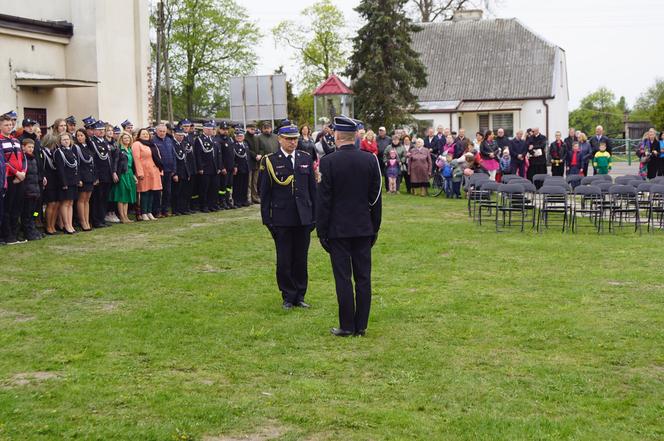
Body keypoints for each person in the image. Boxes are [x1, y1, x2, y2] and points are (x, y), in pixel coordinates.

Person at [316, 115, 382, 337]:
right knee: (363, 278)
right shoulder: (370, 160)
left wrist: (322, 231)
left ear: (336, 136)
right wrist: (375, 226)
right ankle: (360, 325)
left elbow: (323, 201)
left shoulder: (327, 162)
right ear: (355, 137)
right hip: (363, 228)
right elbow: (375, 198)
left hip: (338, 230)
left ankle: (347, 325)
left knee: (343, 278)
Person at [259, 121, 316, 310]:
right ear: (280, 139)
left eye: (295, 139)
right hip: (282, 218)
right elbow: (265, 193)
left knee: (301, 258)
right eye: (289, 139)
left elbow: (312, 190)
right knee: (284, 259)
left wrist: (314, 215)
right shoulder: (270, 161)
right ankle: (288, 295)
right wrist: (267, 219)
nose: (293, 143)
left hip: (303, 218)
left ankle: (300, 294)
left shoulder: (305, 158)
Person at [1, 113, 27, 244]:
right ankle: (8, 236)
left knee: (17, 207)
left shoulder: (16, 141)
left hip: (20, 178)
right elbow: (3, 161)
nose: (9, 127)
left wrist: (22, 173)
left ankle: (15, 234)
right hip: (9, 179)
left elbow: (24, 159)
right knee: (8, 208)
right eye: (6, 125)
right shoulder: (0, 141)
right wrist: (16, 172)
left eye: (11, 124)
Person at [132, 128, 162, 221]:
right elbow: (136, 159)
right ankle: (143, 212)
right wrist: (139, 173)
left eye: (147, 134)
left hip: (154, 171)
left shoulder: (152, 144)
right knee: (144, 192)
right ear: (139, 135)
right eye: (143, 134)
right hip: (144, 172)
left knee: (152, 192)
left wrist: (160, 170)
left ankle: (149, 212)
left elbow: (158, 157)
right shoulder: (137, 144)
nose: (145, 135)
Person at [89, 120, 113, 228]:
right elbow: (94, 161)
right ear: (94, 131)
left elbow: (109, 159)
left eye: (103, 130)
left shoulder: (104, 142)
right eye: (99, 130)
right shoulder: (92, 142)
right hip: (99, 175)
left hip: (107, 174)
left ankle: (102, 218)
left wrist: (112, 172)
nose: (102, 132)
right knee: (97, 199)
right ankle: (96, 220)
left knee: (104, 198)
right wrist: (96, 176)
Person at [55, 133, 80, 234]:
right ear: (60, 141)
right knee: (65, 203)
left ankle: (70, 225)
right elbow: (60, 169)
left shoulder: (71, 151)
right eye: (64, 140)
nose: (66, 141)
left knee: (71, 203)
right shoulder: (59, 152)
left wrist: (77, 180)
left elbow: (75, 167)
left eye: (67, 139)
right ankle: (66, 225)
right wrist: (64, 182)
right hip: (66, 181)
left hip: (73, 180)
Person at [110, 131, 137, 223]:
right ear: (121, 139)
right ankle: (122, 217)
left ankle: (126, 217)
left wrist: (134, 175)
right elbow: (115, 162)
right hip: (121, 174)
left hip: (129, 173)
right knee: (122, 195)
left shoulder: (129, 150)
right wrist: (114, 173)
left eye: (128, 138)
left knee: (127, 195)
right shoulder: (119, 150)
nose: (127, 139)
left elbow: (132, 164)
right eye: (125, 138)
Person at [195, 120, 221, 213]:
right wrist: (200, 167)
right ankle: (204, 205)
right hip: (205, 168)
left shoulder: (214, 139)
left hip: (214, 168)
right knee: (204, 188)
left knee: (214, 188)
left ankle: (212, 204)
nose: (210, 131)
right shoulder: (200, 140)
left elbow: (218, 154)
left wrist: (219, 167)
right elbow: (198, 155)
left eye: (211, 129)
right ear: (204, 130)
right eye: (208, 129)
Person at [73, 129, 96, 231]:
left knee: (87, 200)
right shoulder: (76, 147)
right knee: (81, 200)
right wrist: (79, 179)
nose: (79, 137)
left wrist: (95, 177)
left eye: (81, 135)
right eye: (78, 136)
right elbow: (76, 164)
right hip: (82, 176)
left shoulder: (89, 147)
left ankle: (86, 220)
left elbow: (93, 163)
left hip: (90, 176)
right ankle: (82, 221)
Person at [20, 138, 43, 241]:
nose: (31, 149)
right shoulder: (23, 159)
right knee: (27, 213)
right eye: (29, 147)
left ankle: (33, 227)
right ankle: (27, 231)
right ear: (23, 147)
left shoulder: (33, 158)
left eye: (32, 147)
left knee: (35, 212)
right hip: (28, 191)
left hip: (35, 190)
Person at [152, 123, 176, 217]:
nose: (162, 133)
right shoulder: (153, 141)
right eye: (160, 131)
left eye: (164, 131)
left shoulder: (169, 140)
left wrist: (174, 168)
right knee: (158, 192)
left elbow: (173, 155)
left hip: (169, 170)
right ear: (156, 131)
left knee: (167, 191)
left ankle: (165, 210)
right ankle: (156, 211)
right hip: (159, 170)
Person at [171, 128, 194, 215]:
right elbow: (174, 160)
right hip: (177, 171)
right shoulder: (172, 144)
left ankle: (183, 208)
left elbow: (186, 160)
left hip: (184, 171)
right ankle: (175, 210)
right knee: (176, 192)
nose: (181, 137)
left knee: (184, 191)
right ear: (175, 134)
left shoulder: (183, 144)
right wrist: (175, 173)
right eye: (179, 135)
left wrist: (188, 172)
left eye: (182, 135)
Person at [231, 128, 250, 207]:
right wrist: (235, 166)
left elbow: (247, 156)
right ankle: (237, 201)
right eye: (238, 136)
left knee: (245, 185)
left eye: (241, 136)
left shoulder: (245, 144)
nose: (239, 137)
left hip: (246, 167)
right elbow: (232, 157)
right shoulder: (233, 145)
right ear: (235, 136)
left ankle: (244, 200)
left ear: (244, 136)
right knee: (237, 185)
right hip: (238, 168)